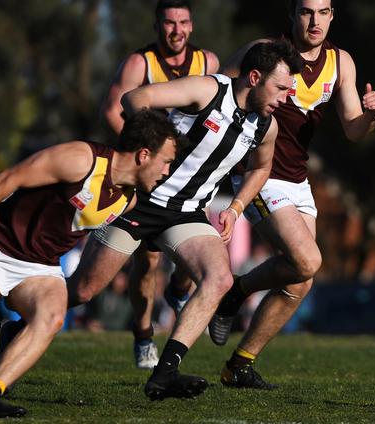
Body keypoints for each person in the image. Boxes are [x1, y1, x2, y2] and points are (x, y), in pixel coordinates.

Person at [66, 39, 303, 400]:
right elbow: (134, 100)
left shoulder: (265, 126)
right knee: (83, 291)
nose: (285, 98)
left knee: (220, 278)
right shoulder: (208, 88)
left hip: (186, 214)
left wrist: (236, 207)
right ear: (254, 77)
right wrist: (146, 151)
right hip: (138, 202)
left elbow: (262, 167)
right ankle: (22, 322)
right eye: (281, 88)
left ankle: (164, 375)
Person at [0, 110, 180, 418]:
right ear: (144, 155)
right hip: (0, 247)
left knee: (53, 315)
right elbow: (10, 177)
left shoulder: (129, 199)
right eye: (166, 161)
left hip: (42, 267)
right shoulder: (81, 160)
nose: (167, 171)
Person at [208, 0, 375, 390]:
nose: (315, 21)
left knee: (300, 280)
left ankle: (240, 365)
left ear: (332, 16)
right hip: (259, 175)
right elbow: (216, 90)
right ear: (292, 15)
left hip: (298, 181)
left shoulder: (342, 63)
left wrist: (373, 116)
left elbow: (354, 130)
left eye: (323, 12)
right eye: (306, 12)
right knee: (307, 260)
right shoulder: (265, 51)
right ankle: (236, 292)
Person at [101, 0, 220, 369]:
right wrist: (144, 156)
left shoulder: (208, 62)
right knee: (148, 261)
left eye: (183, 22)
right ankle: (143, 333)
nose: (177, 30)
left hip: (189, 178)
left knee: (197, 245)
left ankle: (180, 290)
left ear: (192, 26)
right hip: (149, 176)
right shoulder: (141, 63)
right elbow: (111, 110)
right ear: (157, 27)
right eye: (169, 23)